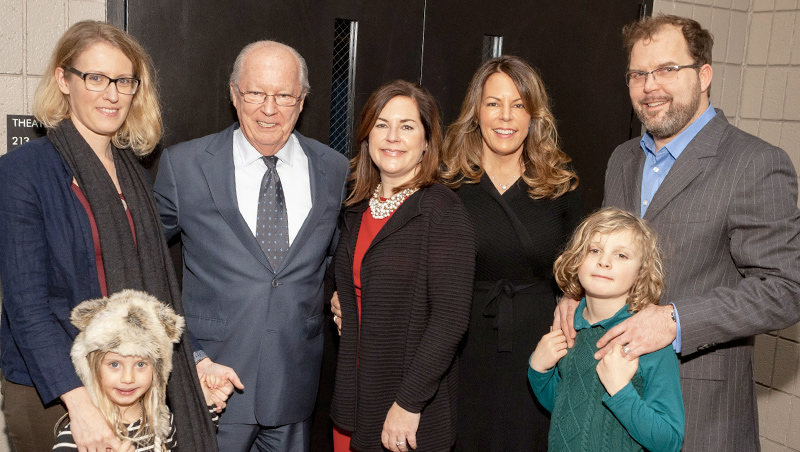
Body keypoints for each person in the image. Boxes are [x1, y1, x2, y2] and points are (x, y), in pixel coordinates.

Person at [554, 14, 800, 452]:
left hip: (700, 412)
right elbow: (612, 252)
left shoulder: (755, 163)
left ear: (704, 75)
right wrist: (577, 296)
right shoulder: (623, 158)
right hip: (611, 406)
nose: (651, 86)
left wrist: (674, 320)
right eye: (638, 74)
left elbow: (786, 289)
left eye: (668, 69)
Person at [0, 20, 222, 452]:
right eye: (95, 78)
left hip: (130, 385)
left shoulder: (134, 175)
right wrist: (79, 402)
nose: (112, 93)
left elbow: (153, 297)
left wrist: (193, 369)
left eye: (124, 80)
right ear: (64, 80)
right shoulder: (22, 172)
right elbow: (25, 306)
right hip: (54, 390)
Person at [153, 40, 350, 451]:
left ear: (302, 100)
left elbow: (335, 256)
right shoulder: (184, 165)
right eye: (256, 93)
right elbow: (144, 263)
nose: (269, 108)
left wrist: (340, 297)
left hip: (295, 384)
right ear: (233, 94)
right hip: (212, 384)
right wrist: (191, 355)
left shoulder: (333, 168)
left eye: (283, 95)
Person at [442, 55, 582, 451]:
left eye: (518, 104)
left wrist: (571, 297)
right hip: (462, 342)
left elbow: (581, 263)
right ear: (476, 112)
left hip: (537, 344)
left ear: (533, 114)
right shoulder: (447, 181)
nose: (506, 117)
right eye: (493, 103)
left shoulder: (561, 182)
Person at [329, 80, 476, 452]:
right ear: (366, 137)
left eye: (407, 126)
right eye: (382, 124)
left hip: (406, 407)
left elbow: (450, 319)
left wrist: (409, 403)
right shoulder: (356, 208)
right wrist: (340, 300)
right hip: (355, 396)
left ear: (427, 141)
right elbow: (349, 278)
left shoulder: (442, 211)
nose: (392, 136)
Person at [529, 208, 684, 452]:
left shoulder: (647, 341)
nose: (604, 261)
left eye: (621, 255)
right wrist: (539, 371)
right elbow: (563, 409)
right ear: (576, 259)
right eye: (594, 250)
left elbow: (670, 442)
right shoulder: (569, 328)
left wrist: (621, 391)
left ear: (641, 272)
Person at [54, 289, 221, 452]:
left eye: (140, 364)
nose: (128, 378)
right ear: (92, 368)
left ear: (158, 370)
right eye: (114, 364)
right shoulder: (82, 434)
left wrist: (206, 402)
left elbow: (198, 442)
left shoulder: (163, 423)